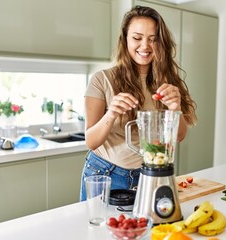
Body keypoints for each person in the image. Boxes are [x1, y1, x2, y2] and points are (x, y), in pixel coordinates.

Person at [80, 5, 197, 201]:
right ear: (125, 39)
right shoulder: (102, 80)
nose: (145, 46)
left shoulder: (168, 82)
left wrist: (175, 107)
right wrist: (111, 113)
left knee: (144, 231)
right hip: (105, 174)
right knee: (97, 230)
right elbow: (91, 141)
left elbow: (179, 136)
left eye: (153, 39)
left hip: (149, 176)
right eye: (137, 38)